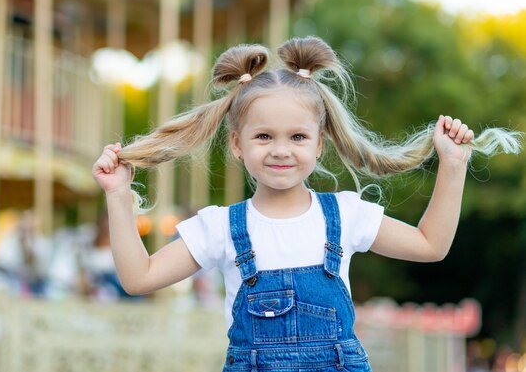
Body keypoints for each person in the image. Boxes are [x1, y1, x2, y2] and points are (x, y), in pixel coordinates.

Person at [92, 36, 521, 371]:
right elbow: (138, 278)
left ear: (320, 144)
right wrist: (117, 196)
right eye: (264, 136)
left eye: (297, 137)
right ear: (238, 145)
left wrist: (453, 163)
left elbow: (432, 245)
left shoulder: (345, 215)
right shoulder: (221, 227)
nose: (281, 150)